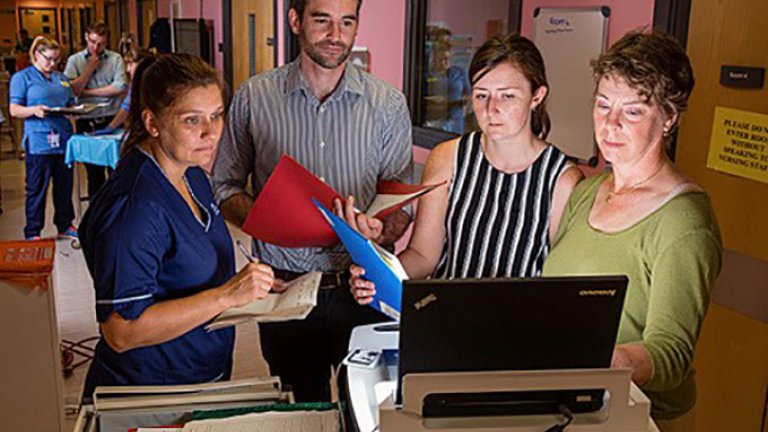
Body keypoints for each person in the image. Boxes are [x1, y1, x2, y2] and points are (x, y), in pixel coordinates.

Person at [211, 0, 413, 402]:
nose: (336, 35)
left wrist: (381, 230)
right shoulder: (254, 97)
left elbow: (400, 206)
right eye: (322, 20)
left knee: (369, 408)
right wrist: (272, 222)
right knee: (301, 407)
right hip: (286, 288)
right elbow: (224, 186)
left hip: (363, 287)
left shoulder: (388, 105)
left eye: (347, 22)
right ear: (295, 21)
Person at [542, 31, 722, 430]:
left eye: (633, 112)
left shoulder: (684, 220)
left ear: (669, 117)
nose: (610, 124)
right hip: (573, 400)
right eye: (603, 105)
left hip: (643, 415)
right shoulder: (586, 192)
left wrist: (596, 360)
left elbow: (671, 353)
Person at [79, 53, 275, 399]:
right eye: (191, 120)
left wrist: (252, 287)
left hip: (199, 375)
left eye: (216, 115)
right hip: (150, 393)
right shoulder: (135, 207)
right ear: (152, 123)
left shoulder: (193, 175)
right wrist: (227, 295)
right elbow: (121, 331)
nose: (211, 133)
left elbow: (187, 275)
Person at [351, 34, 582, 302]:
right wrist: (378, 278)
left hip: (516, 321)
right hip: (444, 315)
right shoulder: (447, 158)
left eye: (507, 96)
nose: (491, 109)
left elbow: (556, 283)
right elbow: (423, 256)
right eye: (482, 95)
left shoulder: (562, 179)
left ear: (536, 96)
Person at [9, 36, 77, 240]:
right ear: (36, 55)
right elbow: (14, 110)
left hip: (63, 140)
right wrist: (34, 110)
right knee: (37, 188)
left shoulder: (61, 78)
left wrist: (74, 110)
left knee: (64, 187)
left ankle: (65, 225)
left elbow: (70, 101)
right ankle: (33, 231)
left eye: (56, 60)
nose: (53, 63)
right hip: (39, 142)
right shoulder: (22, 78)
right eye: (49, 59)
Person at [64, 21, 128, 198]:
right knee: (94, 174)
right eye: (92, 42)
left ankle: (116, 209)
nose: (96, 47)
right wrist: (89, 69)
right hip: (87, 120)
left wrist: (87, 92)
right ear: (86, 37)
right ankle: (97, 209)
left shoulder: (115, 59)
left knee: (117, 170)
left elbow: (119, 87)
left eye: (101, 44)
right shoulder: (75, 60)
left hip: (112, 118)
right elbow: (72, 90)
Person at [92, 48, 155, 135]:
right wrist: (110, 127)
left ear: (141, 63)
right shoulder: (134, 84)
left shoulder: (154, 82)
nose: (128, 69)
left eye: (131, 64)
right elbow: (126, 107)